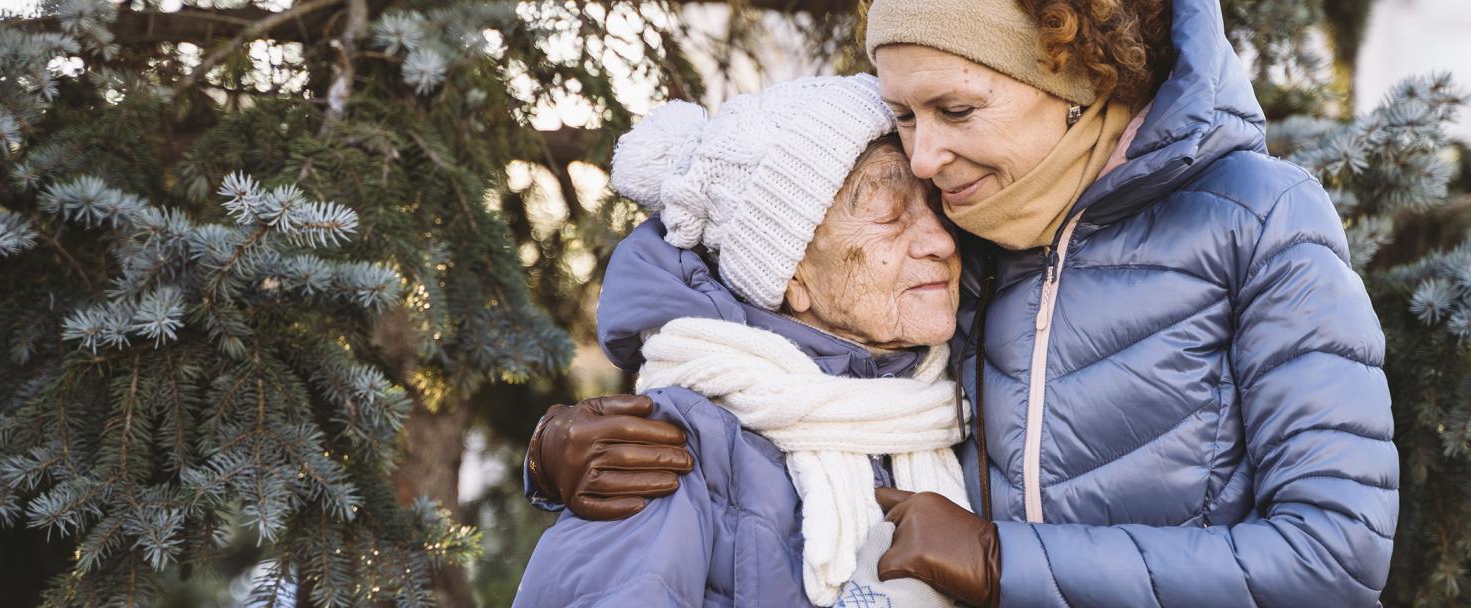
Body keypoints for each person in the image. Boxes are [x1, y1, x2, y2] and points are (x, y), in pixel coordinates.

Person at [527, 0, 1398, 606]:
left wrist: (1000, 560)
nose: (927, 158)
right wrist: (565, 456)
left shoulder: (1256, 221)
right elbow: (744, 235)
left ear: (1074, 78)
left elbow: (1334, 554)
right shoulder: (966, 215)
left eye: (955, 109)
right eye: (905, 115)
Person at [515, 74, 968, 607]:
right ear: (790, 275)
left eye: (935, 205)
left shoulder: (963, 387)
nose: (940, 241)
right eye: (889, 215)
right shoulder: (680, 447)